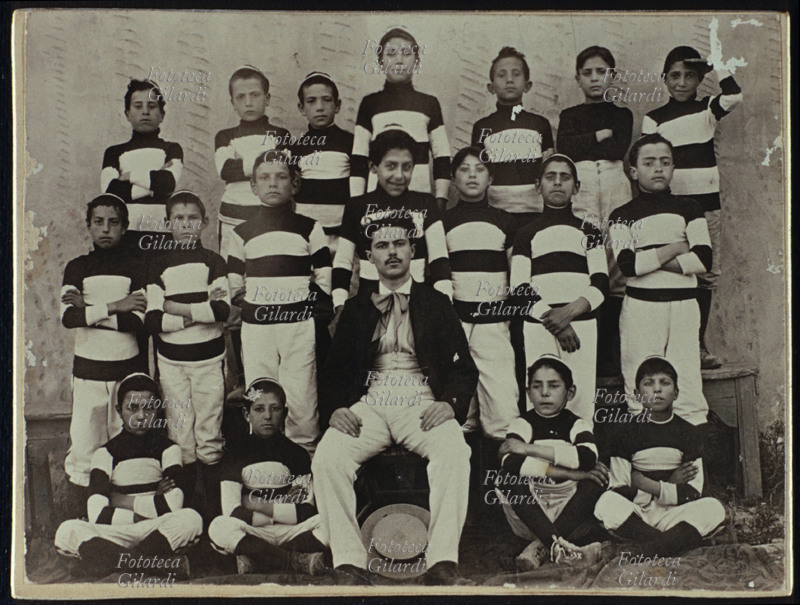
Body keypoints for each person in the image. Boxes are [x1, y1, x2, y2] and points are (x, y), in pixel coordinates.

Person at [313, 217, 478, 585]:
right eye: (383, 246)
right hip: (370, 402)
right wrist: (337, 408)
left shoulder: (437, 303)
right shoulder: (356, 309)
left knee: (454, 450)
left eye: (399, 244)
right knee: (328, 458)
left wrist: (450, 403)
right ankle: (349, 562)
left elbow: (463, 368)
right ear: (369, 257)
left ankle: (442, 561)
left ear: (412, 252)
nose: (392, 252)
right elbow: (333, 370)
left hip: (420, 401)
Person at [642, 46, 743, 369]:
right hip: (671, 209)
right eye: (675, 75)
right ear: (665, 80)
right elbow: (648, 161)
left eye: (689, 75)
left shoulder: (708, 110)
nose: (682, 82)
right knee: (668, 270)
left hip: (707, 206)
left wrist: (716, 66)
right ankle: (664, 346)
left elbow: (735, 95)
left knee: (706, 274)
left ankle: (697, 345)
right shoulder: (654, 118)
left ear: (700, 79)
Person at [227, 149, 332, 453]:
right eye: (264, 177)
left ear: (294, 183)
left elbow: (323, 279)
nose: (273, 183)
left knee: (301, 397)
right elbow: (235, 282)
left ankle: (303, 466)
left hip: (298, 328)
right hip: (257, 328)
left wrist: (301, 308)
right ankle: (262, 463)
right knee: (260, 395)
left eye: (281, 176)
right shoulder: (241, 232)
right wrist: (253, 302)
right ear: (253, 186)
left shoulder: (310, 227)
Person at [54, 374, 202, 579]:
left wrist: (121, 500)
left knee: (190, 519)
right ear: (119, 411)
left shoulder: (169, 450)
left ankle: (110, 563)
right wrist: (152, 504)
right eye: (132, 408)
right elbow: (97, 514)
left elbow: (173, 506)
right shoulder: (104, 454)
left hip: (154, 531)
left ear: (157, 409)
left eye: (148, 408)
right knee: (66, 531)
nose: (141, 416)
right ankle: (156, 566)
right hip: (118, 533)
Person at [608, 134, 711, 426]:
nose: (658, 169)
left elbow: (703, 261)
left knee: (687, 388)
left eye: (665, 162)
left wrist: (650, 258)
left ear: (673, 168)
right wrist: (677, 248)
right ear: (633, 171)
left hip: (684, 309)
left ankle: (693, 469)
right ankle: (648, 466)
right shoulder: (622, 216)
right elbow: (628, 266)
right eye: (649, 162)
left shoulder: (689, 208)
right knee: (640, 390)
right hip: (642, 310)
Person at [60, 194, 147, 518]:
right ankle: (82, 525)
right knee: (84, 452)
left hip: (127, 375)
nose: (106, 229)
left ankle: (117, 522)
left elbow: (138, 321)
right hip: (88, 376)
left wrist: (90, 310)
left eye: (113, 222)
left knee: (122, 451)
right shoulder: (77, 267)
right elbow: (68, 317)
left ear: (124, 227)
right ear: (89, 226)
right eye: (99, 222)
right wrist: (114, 306)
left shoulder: (136, 269)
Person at [144, 191, 230, 515]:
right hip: (172, 364)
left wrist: (174, 307)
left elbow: (221, 309)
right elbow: (153, 319)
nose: (185, 224)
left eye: (192, 218)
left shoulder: (213, 261)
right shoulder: (158, 265)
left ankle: (213, 516)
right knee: (180, 434)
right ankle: (187, 512)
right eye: (178, 218)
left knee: (209, 435)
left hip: (209, 362)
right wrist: (198, 311)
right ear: (168, 223)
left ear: (204, 223)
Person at [510, 154, 608, 422]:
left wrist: (569, 314)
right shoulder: (526, 233)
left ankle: (582, 459)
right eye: (550, 177)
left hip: (582, 326)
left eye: (565, 177)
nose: (557, 183)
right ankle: (543, 460)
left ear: (576, 187)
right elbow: (519, 288)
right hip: (539, 327)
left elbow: (600, 284)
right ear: (537, 185)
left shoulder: (589, 231)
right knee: (541, 400)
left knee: (580, 400)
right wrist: (557, 322)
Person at [593, 357, 725, 556]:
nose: (657, 390)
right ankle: (670, 543)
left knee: (713, 508)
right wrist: (670, 483)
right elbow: (619, 487)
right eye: (648, 383)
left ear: (676, 393)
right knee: (606, 503)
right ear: (637, 395)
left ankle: (648, 549)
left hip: (674, 514)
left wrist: (646, 483)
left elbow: (693, 492)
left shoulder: (689, 433)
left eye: (665, 383)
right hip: (638, 514)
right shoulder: (624, 433)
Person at [557, 46, 633, 377]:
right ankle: (592, 356)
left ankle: (615, 357)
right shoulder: (569, 115)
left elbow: (618, 148)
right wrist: (599, 135)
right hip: (584, 185)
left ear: (611, 76)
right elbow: (566, 148)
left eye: (601, 72)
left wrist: (588, 140)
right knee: (590, 260)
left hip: (615, 183)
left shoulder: (622, 114)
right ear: (578, 78)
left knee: (618, 266)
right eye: (587, 73)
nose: (594, 78)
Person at [214, 65, 292, 382]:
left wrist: (249, 163)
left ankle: (274, 377)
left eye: (255, 95)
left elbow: (277, 170)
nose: (248, 102)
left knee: (270, 290)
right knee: (237, 295)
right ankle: (244, 378)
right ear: (232, 102)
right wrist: (262, 160)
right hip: (231, 223)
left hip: (269, 223)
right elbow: (226, 171)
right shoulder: (224, 136)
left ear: (267, 97)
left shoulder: (281, 135)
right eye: (240, 96)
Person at [496, 356, 607, 570]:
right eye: (537, 386)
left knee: (597, 479)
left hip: (570, 513)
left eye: (554, 386)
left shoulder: (577, 424)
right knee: (506, 478)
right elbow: (510, 462)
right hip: (531, 513)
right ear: (528, 393)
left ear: (570, 392)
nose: (544, 393)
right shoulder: (522, 423)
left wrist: (528, 449)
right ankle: (557, 546)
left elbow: (587, 457)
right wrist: (574, 472)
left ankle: (543, 546)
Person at [208, 379, 328, 576]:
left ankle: (260, 559)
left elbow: (306, 510)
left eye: (275, 409)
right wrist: (283, 508)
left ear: (285, 413)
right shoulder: (236, 453)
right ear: (247, 414)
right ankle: (293, 561)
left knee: (329, 521)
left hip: (290, 531)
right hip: (253, 531)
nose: (268, 416)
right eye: (259, 409)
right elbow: (232, 510)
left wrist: (258, 505)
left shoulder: (297, 454)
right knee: (219, 527)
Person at [443, 146, 519, 438]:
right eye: (464, 169)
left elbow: (517, 277)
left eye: (480, 169)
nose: (472, 175)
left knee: (502, 412)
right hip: (456, 326)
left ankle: (502, 480)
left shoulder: (504, 221)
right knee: (459, 417)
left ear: (491, 178)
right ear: (452, 179)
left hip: (494, 326)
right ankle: (464, 480)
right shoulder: (443, 222)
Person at [332, 128, 452, 310]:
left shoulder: (425, 203)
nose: (399, 175)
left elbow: (439, 259)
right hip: (368, 304)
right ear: (373, 167)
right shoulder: (357, 206)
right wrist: (339, 304)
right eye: (391, 166)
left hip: (416, 303)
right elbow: (343, 261)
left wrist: (445, 303)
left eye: (407, 167)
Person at [351, 26, 451, 209]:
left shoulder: (429, 104)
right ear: (381, 62)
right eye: (391, 53)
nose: (398, 60)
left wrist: (440, 200)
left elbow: (442, 156)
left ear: (416, 62)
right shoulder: (370, 104)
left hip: (420, 199)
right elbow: (359, 157)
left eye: (406, 53)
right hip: (377, 201)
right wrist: (357, 203)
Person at [471, 46, 554, 226]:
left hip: (535, 213)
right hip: (496, 213)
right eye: (502, 75)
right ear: (491, 87)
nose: (509, 80)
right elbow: (478, 171)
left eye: (516, 74)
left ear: (527, 85)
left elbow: (548, 168)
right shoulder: (483, 127)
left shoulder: (540, 124)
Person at [101, 79, 183, 251]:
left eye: (152, 106)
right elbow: (111, 193)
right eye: (138, 106)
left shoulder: (172, 149)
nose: (145, 112)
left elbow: (168, 183)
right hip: (125, 234)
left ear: (162, 115)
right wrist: (154, 184)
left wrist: (129, 177)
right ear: (127, 113)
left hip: (162, 234)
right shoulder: (113, 153)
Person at [291, 71, 354, 257]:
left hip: (343, 236)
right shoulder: (297, 148)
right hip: (309, 236)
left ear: (337, 105)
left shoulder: (350, 143)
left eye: (326, 100)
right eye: (311, 101)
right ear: (302, 108)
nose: (319, 107)